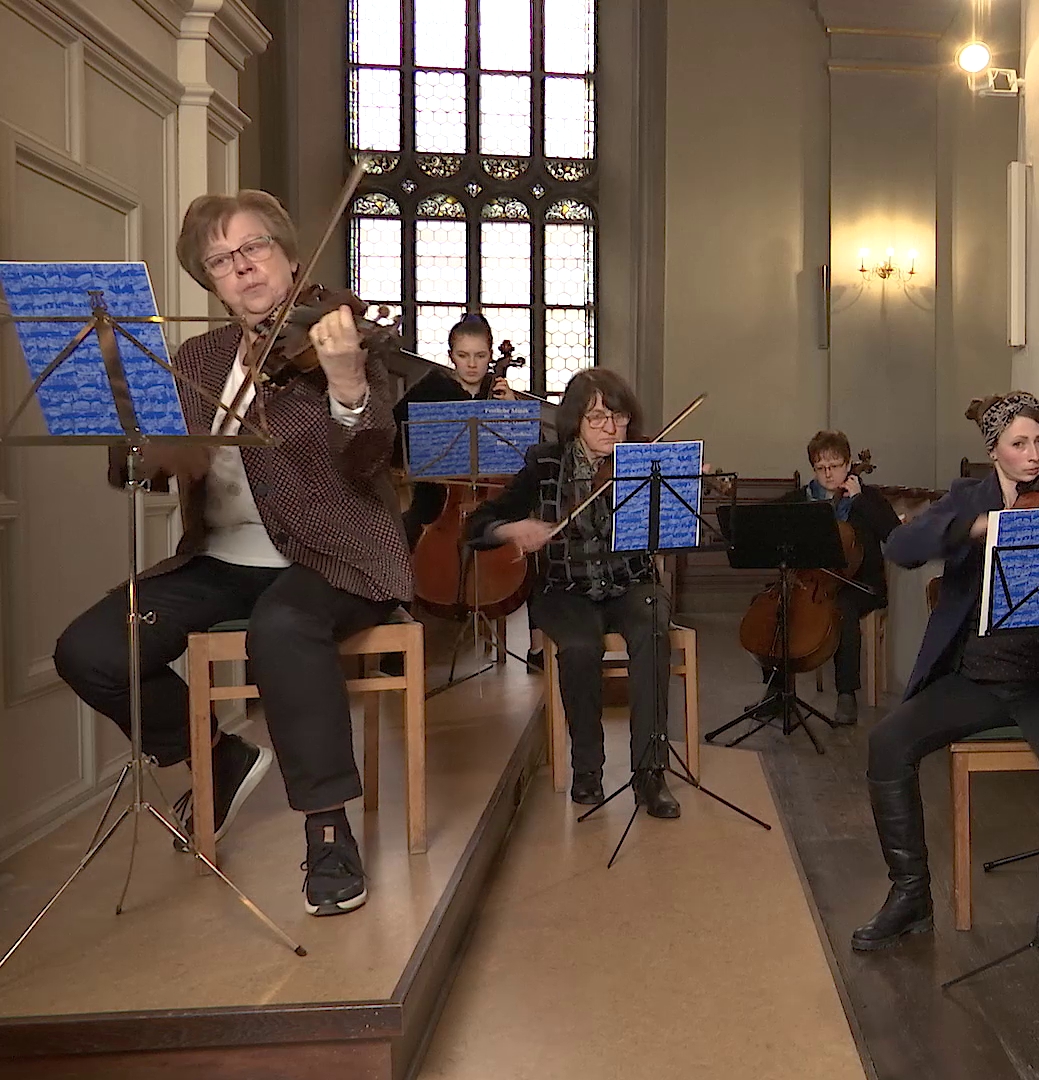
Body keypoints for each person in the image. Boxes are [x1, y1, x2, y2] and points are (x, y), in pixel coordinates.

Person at [53, 190, 409, 917]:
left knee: (285, 626)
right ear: (210, 280)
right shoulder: (198, 357)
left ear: (285, 255)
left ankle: (327, 830)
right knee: (89, 648)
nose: (242, 267)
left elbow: (368, 461)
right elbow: (146, 470)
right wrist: (126, 416)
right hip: (219, 559)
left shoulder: (345, 340)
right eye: (221, 260)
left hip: (331, 556)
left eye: (253, 248)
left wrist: (343, 384)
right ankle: (216, 757)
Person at [851, 392, 1039, 952]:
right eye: (1019, 444)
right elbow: (901, 546)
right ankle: (910, 895)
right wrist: (975, 528)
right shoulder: (969, 498)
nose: (1035, 455)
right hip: (979, 677)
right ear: (993, 449)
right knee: (886, 744)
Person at [465, 369, 679, 817]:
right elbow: (477, 526)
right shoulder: (544, 463)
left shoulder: (643, 463)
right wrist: (513, 528)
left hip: (631, 583)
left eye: (617, 417)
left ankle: (650, 774)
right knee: (579, 649)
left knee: (655, 632)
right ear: (575, 422)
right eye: (596, 417)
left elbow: (671, 528)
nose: (609, 428)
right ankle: (587, 769)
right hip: (566, 589)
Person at [760, 431, 899, 724]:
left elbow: (892, 533)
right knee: (776, 605)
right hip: (810, 583)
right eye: (821, 468)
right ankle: (776, 691)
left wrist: (859, 500)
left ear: (848, 464)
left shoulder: (868, 497)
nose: (828, 474)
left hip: (860, 584)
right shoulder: (801, 499)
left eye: (835, 466)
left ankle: (846, 695)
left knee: (843, 609)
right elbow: (768, 522)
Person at [396, 313, 515, 549]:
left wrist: (512, 409)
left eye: (480, 356)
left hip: (489, 510)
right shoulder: (430, 389)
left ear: (491, 356)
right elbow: (393, 439)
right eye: (463, 355)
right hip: (434, 507)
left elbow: (530, 452)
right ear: (451, 356)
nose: (472, 364)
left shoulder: (499, 392)